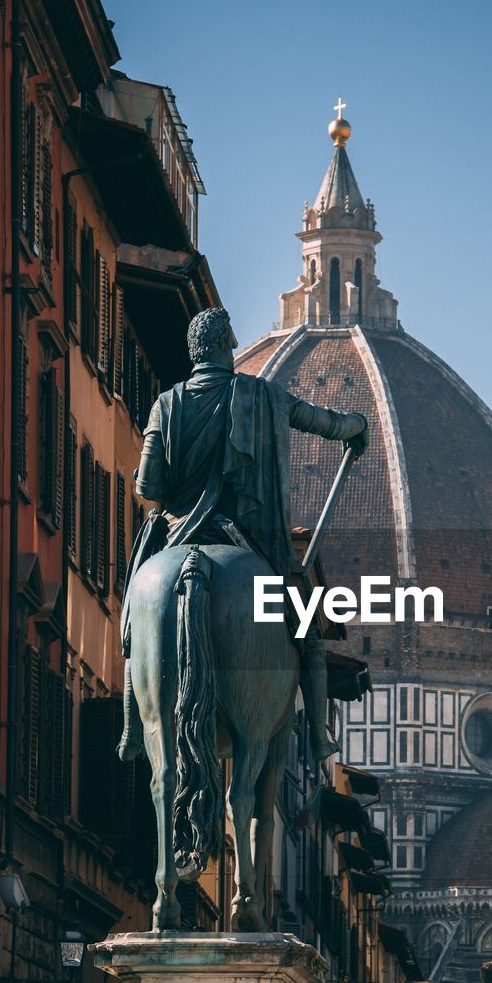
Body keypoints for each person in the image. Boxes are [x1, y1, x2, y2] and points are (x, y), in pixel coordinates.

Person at [117, 306, 368, 767]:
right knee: (308, 630)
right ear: (225, 347)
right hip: (246, 541)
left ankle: (133, 725)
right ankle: (319, 735)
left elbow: (147, 488)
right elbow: (323, 422)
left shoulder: (166, 405)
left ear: (194, 350)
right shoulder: (262, 396)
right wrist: (358, 427)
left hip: (178, 536)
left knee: (135, 615)